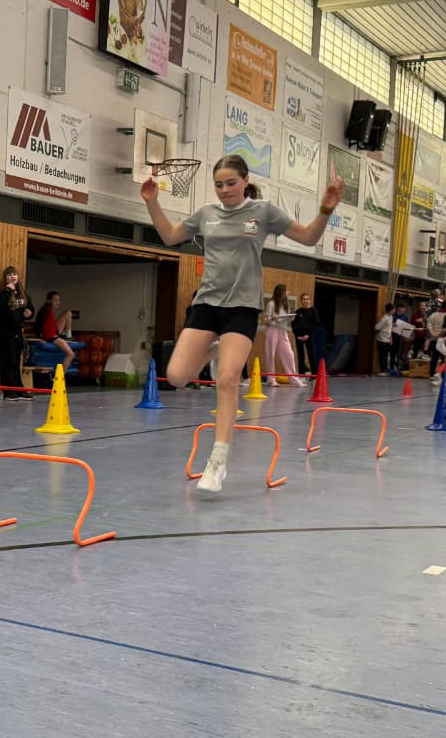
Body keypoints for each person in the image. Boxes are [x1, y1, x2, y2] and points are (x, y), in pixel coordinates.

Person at [141, 155, 335, 493]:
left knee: (228, 378)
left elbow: (307, 237)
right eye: (219, 184)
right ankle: (216, 348)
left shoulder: (263, 212)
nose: (224, 190)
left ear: (245, 181)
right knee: (176, 377)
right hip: (207, 304)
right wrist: (151, 201)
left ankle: (217, 461)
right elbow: (170, 236)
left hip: (242, 308)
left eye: (231, 183)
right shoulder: (206, 214)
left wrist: (326, 209)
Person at [0, 266, 34, 400]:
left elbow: (29, 306)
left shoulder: (21, 293)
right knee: (8, 361)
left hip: (17, 332)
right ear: (5, 278)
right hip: (4, 333)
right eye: (9, 275)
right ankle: (8, 391)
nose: (13, 277)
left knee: (16, 362)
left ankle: (19, 389)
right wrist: (8, 290)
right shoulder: (1, 293)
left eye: (14, 274)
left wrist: (29, 312)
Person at [262, 284, 299, 385]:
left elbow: (285, 319)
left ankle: (293, 379)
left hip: (282, 330)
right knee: (270, 354)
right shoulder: (271, 304)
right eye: (286, 291)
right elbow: (266, 320)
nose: (288, 292)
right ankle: (271, 379)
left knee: (289, 354)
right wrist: (272, 318)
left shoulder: (286, 304)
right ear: (281, 292)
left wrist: (290, 318)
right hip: (272, 329)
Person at [34, 290, 76, 371]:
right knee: (70, 354)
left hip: (54, 333)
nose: (57, 302)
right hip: (52, 338)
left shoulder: (49, 309)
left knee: (68, 313)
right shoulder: (46, 311)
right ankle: (59, 376)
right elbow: (39, 325)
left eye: (59, 300)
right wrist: (41, 338)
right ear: (48, 300)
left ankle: (68, 336)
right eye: (55, 300)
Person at [292, 292, 320, 376]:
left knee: (311, 354)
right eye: (304, 299)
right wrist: (298, 336)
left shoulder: (313, 311)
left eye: (307, 299)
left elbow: (316, 324)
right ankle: (301, 374)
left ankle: (314, 374)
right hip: (299, 336)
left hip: (309, 335)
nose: (305, 301)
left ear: (309, 300)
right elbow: (294, 325)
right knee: (301, 355)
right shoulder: (297, 312)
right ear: (301, 301)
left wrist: (308, 335)